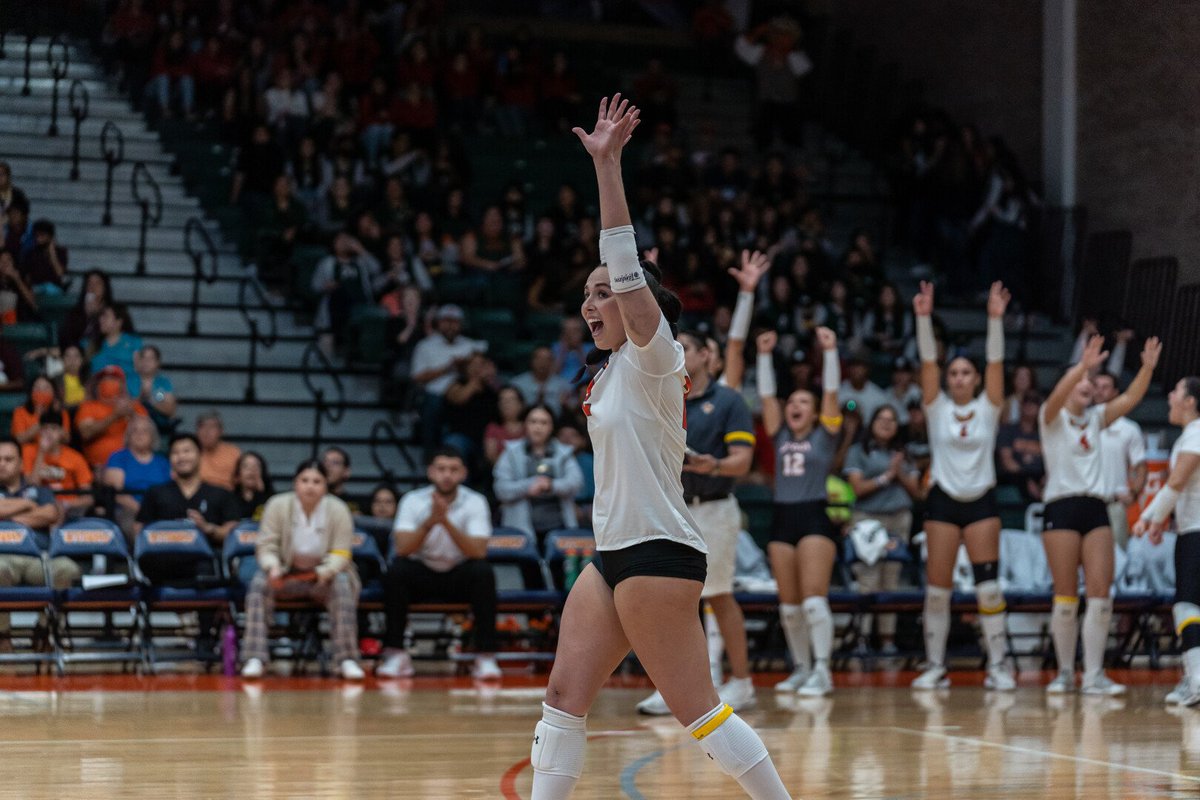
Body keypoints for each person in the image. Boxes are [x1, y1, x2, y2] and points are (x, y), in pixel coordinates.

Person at [526, 96, 790, 800]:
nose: (593, 301)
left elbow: (624, 259)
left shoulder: (654, 356)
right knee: (562, 695)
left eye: (605, 292)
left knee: (698, 711)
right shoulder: (607, 371)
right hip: (610, 552)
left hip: (661, 553)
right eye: (586, 294)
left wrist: (608, 166)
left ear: (638, 304)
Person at [636, 328, 759, 715]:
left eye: (686, 347)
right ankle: (675, 688)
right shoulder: (664, 394)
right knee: (672, 602)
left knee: (719, 595)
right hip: (672, 507)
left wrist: (715, 465)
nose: (679, 352)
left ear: (707, 355)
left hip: (715, 505)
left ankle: (741, 682)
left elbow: (743, 460)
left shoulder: (728, 401)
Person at [1039, 335, 1160, 696]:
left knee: (1101, 595)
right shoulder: (1052, 417)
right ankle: (1063, 672)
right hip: (1060, 506)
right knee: (1065, 596)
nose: (1089, 386)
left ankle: (1093, 675)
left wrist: (1147, 368)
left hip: (1095, 507)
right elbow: (1056, 396)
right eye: (1084, 382)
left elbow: (1131, 398)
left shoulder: (1097, 419)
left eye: (1092, 382)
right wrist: (1081, 367)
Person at [910, 281, 1014, 691]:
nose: (957, 377)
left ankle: (1000, 666)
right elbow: (927, 363)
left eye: (965, 372)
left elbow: (996, 362)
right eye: (953, 373)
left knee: (988, 590)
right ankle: (935, 666)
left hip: (981, 502)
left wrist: (994, 320)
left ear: (974, 379)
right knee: (938, 591)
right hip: (943, 502)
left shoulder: (989, 408)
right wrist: (922, 318)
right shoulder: (936, 410)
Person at [757, 325, 842, 697]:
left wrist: (831, 352)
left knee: (812, 599)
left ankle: (823, 670)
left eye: (804, 402)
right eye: (793, 402)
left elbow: (833, 394)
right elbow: (766, 396)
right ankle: (802, 668)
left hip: (814, 516)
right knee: (789, 606)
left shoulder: (825, 435)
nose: (795, 406)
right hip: (782, 516)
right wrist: (762, 356)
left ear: (815, 412)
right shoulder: (780, 435)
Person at [377, 447, 500, 681]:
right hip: (422, 572)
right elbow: (402, 548)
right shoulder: (412, 500)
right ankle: (395, 654)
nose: (447, 475)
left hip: (459, 573)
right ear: (431, 472)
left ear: (463, 473)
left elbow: (478, 551)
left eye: (453, 470)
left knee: (483, 572)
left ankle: (485, 656)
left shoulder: (475, 501)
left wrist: (445, 521)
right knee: (396, 572)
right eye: (441, 469)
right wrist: (430, 521)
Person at [240, 459, 365, 681]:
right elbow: (266, 545)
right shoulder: (277, 505)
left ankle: (346, 659)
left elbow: (342, 553)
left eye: (317, 481)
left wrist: (323, 573)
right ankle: (255, 657)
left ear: (325, 485)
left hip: (324, 577)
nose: (310, 486)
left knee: (343, 584)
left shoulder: (338, 509)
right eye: (304, 480)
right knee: (259, 583)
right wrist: (272, 566)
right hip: (287, 573)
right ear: (295, 483)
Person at [1132, 377, 1200, 706]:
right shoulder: (1189, 436)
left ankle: (1197, 678)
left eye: (1176, 391)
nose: (1169, 396)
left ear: (1189, 401)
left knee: (1187, 605)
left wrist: (1149, 517)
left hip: (1197, 534)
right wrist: (1168, 521)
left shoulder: (1196, 433)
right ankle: (1194, 676)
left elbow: (1176, 482)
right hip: (1189, 529)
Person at [843, 405, 922, 654]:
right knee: (868, 578)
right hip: (867, 520)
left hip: (898, 518)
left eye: (892, 419)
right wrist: (887, 476)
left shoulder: (904, 454)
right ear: (872, 421)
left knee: (891, 579)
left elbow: (917, 492)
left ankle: (888, 640)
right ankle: (862, 638)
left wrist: (899, 473)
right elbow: (857, 489)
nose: (887, 423)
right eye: (881, 419)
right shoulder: (858, 451)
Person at [0, 437, 75, 652]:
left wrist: (8, 519)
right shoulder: (32, 498)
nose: (2, 463)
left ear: (21, 463)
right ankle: (2, 635)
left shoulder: (40, 491)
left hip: (39, 558)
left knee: (66, 569)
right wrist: (26, 505)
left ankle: (44, 631)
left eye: (8, 459)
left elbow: (50, 513)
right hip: (2, 557)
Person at [493, 405, 584, 548]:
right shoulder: (510, 452)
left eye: (544, 422)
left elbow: (576, 483)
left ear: (551, 427)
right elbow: (501, 489)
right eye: (533, 421)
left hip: (560, 527)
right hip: (520, 529)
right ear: (525, 425)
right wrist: (529, 485)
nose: (538, 427)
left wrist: (550, 485)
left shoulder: (563, 452)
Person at [410, 304, 487, 453]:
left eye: (455, 321)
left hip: (465, 393)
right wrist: (448, 368)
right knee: (434, 405)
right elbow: (417, 377)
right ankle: (431, 454)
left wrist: (465, 367)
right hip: (435, 395)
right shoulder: (425, 345)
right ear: (438, 323)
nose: (451, 326)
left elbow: (484, 367)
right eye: (446, 321)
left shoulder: (471, 345)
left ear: (461, 324)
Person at [136, 434, 240, 544]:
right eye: (175, 453)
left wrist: (208, 528)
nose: (181, 457)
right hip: (162, 556)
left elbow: (233, 532)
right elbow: (138, 529)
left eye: (187, 451)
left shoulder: (221, 493)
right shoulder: (155, 493)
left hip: (208, 558)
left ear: (200, 455)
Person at [1093, 372, 1147, 550]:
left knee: (1117, 561)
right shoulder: (1081, 421)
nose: (1099, 391)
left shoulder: (1128, 428)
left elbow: (1140, 466)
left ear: (1116, 392)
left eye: (1105, 387)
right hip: (1084, 500)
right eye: (1096, 387)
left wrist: (1133, 492)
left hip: (1113, 504)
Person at [103, 415, 170, 532]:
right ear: (128, 436)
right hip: (128, 510)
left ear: (153, 436)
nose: (139, 434)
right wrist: (144, 510)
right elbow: (117, 494)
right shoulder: (118, 458)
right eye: (135, 430)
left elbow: (170, 490)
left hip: (160, 509)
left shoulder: (162, 462)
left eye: (145, 431)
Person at [75, 366, 149, 469]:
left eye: (113, 379)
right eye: (104, 379)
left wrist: (131, 413)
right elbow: (86, 433)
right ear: (97, 384)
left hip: (133, 465)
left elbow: (149, 433)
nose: (108, 382)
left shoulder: (134, 406)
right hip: (99, 467)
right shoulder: (88, 406)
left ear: (122, 385)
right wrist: (114, 416)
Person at [23, 412, 93, 519]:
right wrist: (41, 452)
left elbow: (88, 497)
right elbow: (32, 484)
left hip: (69, 510)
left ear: (61, 432)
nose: (49, 433)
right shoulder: (28, 451)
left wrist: (66, 504)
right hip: (38, 506)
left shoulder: (75, 457)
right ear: (39, 432)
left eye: (54, 429)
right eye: (45, 429)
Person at [996, 391, 1046, 502]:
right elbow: (1007, 460)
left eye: (1034, 403)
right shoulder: (1007, 430)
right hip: (1016, 477)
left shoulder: (1044, 433)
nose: (1029, 406)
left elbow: (1052, 457)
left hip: (1041, 476)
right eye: (1026, 402)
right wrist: (1026, 479)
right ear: (1020, 405)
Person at [88, 304, 143, 383]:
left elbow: (139, 370)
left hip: (126, 392)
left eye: (106, 316)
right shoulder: (93, 344)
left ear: (118, 322)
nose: (101, 320)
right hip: (99, 391)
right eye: (101, 316)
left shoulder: (133, 342)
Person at [511, 346, 570, 419]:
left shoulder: (564, 385)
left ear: (553, 362)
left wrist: (565, 406)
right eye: (539, 358)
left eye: (547, 359)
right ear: (531, 361)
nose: (543, 362)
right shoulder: (517, 384)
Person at [133, 345, 179, 440]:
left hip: (159, 430)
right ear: (139, 361)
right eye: (143, 358)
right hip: (135, 428)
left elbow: (170, 410)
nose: (146, 362)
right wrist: (140, 398)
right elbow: (124, 408)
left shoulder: (164, 382)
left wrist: (149, 399)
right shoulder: (129, 380)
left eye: (150, 359)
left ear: (158, 362)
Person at [11, 376, 70, 446]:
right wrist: (42, 421)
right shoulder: (20, 412)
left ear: (54, 392)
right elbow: (20, 439)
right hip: (29, 451)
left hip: (55, 451)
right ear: (31, 392)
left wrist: (53, 416)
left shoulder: (61, 412)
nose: (41, 392)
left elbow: (67, 439)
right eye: (37, 388)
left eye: (46, 388)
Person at [196, 411, 240, 491]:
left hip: (226, 497)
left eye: (212, 427)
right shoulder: (190, 453)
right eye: (202, 426)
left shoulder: (233, 453)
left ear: (221, 431)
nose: (207, 431)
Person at [484, 386, 527, 466]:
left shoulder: (529, 426)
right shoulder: (493, 428)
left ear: (521, 404)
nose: (506, 404)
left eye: (511, 400)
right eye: (502, 400)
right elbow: (491, 457)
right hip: (501, 472)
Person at [232, 451, 274, 521]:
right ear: (238, 475)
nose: (251, 470)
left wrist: (261, 493)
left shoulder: (273, 499)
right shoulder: (230, 499)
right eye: (246, 466)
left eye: (256, 466)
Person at [319, 446, 357, 513]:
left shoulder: (354, 505)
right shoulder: (311, 500)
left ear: (346, 471)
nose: (327, 466)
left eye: (335, 462)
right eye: (325, 461)